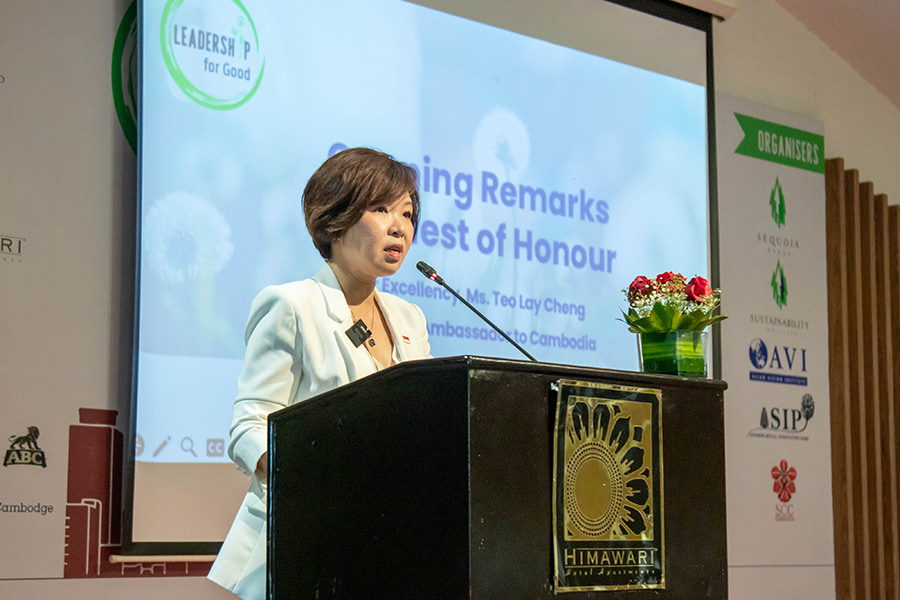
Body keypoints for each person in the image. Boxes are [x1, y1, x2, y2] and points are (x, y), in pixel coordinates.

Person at [208, 147, 432, 600]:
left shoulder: (410, 319)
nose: (399, 227)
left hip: (386, 545)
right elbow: (249, 426)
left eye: (407, 215)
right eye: (381, 209)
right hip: (303, 543)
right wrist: (312, 477)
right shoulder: (291, 305)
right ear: (335, 218)